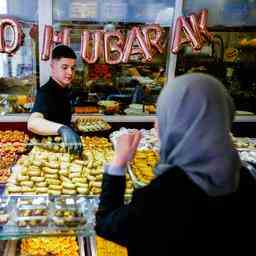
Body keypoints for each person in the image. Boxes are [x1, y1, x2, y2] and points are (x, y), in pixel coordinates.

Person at [96, 73, 256, 254]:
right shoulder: (246, 181)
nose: (156, 124)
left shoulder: (162, 196)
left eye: (163, 115)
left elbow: (106, 225)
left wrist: (119, 163)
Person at [27, 44, 82, 155]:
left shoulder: (63, 89)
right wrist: (63, 129)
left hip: (62, 149)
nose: (70, 72)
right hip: (48, 152)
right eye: (64, 67)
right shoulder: (46, 92)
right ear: (52, 66)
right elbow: (33, 122)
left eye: (73, 68)